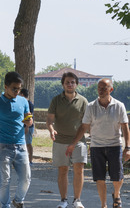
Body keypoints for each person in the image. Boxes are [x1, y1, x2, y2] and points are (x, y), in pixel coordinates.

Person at [66, 78, 130, 208]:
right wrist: (73, 143)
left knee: (117, 177)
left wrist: (127, 147)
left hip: (115, 145)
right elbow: (84, 127)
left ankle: (116, 194)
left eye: (104, 88)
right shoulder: (91, 106)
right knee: (99, 178)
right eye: (99, 88)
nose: (100, 90)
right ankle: (103, 205)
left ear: (111, 89)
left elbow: (125, 128)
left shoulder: (119, 106)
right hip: (97, 146)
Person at [0, 71, 32, 208]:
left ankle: (18, 200)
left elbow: (27, 121)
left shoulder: (24, 101)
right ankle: (5, 205)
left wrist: (29, 122)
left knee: (26, 179)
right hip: (4, 147)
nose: (17, 91)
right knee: (5, 180)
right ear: (5, 87)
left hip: (21, 146)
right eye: (14, 88)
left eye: (19, 89)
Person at [46, 72, 88, 208]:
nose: (70, 84)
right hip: (60, 141)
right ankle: (63, 200)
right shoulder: (56, 100)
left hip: (79, 141)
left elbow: (86, 123)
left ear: (77, 84)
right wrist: (51, 130)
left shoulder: (83, 101)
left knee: (79, 170)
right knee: (63, 170)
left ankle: (77, 200)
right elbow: (50, 120)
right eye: (67, 82)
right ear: (63, 84)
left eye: (72, 82)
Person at [19, 89, 35, 165]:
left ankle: (30, 160)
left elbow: (29, 116)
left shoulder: (28, 103)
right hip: (23, 126)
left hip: (28, 126)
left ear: (22, 94)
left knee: (28, 143)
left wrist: (27, 127)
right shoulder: (23, 103)